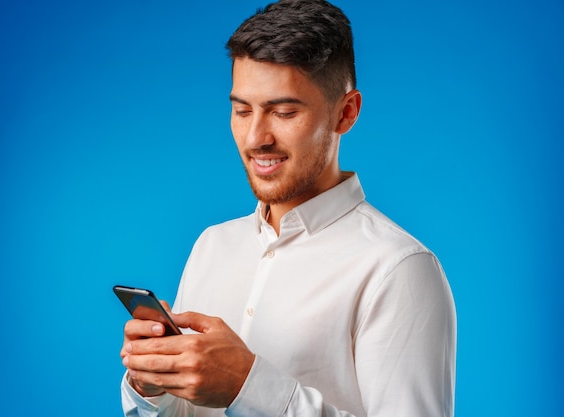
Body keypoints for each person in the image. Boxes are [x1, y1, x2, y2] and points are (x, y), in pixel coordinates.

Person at [120, 0, 456, 416]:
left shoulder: (397, 268)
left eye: (284, 112)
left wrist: (249, 386)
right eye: (242, 110)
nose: (256, 137)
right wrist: (151, 385)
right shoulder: (212, 245)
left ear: (346, 112)